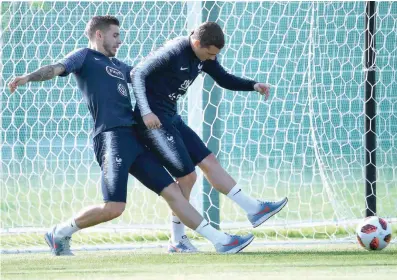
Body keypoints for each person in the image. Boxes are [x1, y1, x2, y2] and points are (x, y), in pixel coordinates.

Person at [8, 16, 254, 256]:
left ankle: (220, 241)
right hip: (110, 139)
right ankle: (59, 232)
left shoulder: (120, 67)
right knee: (114, 208)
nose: (119, 41)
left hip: (134, 137)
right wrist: (29, 77)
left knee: (173, 191)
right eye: (115, 35)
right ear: (98, 34)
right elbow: (56, 68)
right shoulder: (84, 56)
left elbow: (146, 78)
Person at [130, 22, 288, 253]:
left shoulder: (204, 58)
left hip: (171, 117)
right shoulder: (175, 49)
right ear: (196, 43)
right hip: (153, 122)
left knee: (209, 161)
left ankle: (254, 209)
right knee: (187, 178)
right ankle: (178, 240)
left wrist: (253, 85)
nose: (212, 58)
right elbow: (137, 73)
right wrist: (145, 112)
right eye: (210, 53)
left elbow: (223, 78)